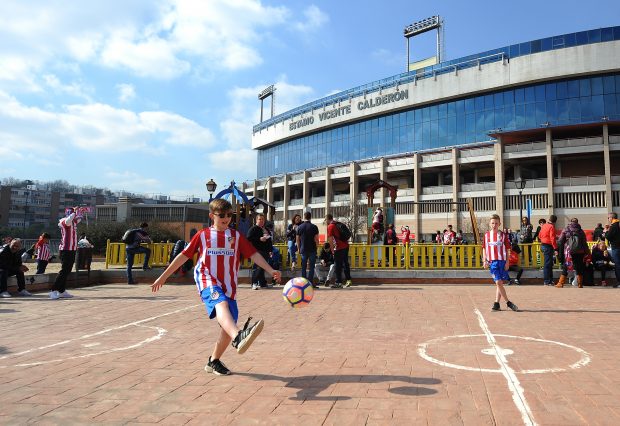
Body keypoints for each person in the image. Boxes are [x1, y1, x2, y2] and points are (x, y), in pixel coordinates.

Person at [151, 199, 281, 376]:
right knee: (222, 306)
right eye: (222, 215)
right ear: (212, 216)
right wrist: (163, 276)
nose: (226, 218)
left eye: (229, 215)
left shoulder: (235, 236)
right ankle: (239, 337)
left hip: (229, 285)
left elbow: (253, 254)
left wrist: (270, 269)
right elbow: (183, 256)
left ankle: (214, 361)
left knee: (228, 326)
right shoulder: (203, 235)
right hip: (207, 279)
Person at [482, 214, 519, 312]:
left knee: (500, 283)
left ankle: (496, 303)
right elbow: (484, 248)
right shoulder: (486, 235)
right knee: (498, 282)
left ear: (499, 224)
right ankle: (508, 302)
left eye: (496, 223)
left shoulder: (503, 235)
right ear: (490, 224)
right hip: (492, 262)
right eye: (492, 223)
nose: (494, 225)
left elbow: (507, 249)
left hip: (502, 261)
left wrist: (507, 262)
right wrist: (484, 260)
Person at [50, 207, 84, 299]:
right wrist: (75, 211)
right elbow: (69, 219)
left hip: (72, 249)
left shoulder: (73, 222)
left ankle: (61, 291)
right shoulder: (64, 221)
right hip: (65, 249)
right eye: (72, 212)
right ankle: (53, 290)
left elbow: (79, 218)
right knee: (64, 271)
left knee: (67, 271)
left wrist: (81, 211)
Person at [555, 218, 589, 288]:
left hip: (569, 251)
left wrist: (558, 250)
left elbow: (560, 241)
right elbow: (584, 243)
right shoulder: (581, 231)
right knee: (578, 267)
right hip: (580, 251)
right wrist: (587, 252)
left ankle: (561, 283)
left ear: (570, 222)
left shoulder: (566, 229)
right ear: (577, 222)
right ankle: (580, 284)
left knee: (566, 266)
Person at [325, 213, 352, 288]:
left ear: (327, 219)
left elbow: (330, 239)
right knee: (345, 263)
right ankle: (348, 280)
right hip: (346, 245)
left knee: (337, 265)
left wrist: (332, 250)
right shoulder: (338, 224)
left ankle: (338, 282)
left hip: (338, 247)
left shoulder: (330, 226)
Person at [246, 213, 272, 290]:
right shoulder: (253, 229)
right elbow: (248, 238)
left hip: (265, 251)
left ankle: (262, 283)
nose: (261, 221)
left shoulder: (266, 229)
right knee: (257, 267)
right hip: (256, 251)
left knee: (263, 267)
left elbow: (269, 240)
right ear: (256, 220)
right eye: (259, 219)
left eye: (263, 219)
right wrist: (259, 239)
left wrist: (270, 250)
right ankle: (254, 283)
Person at [296, 211, 319, 287]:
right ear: (310, 217)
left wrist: (298, 248)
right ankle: (310, 282)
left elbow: (297, 239)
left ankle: (303, 283)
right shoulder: (314, 227)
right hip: (312, 249)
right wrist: (317, 247)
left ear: (304, 217)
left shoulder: (299, 227)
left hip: (303, 249)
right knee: (312, 266)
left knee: (304, 267)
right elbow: (316, 239)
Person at [539, 215, 558, 286]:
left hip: (543, 245)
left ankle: (549, 280)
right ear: (555, 222)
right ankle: (547, 281)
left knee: (548, 263)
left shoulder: (544, 226)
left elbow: (539, 235)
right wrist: (555, 248)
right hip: (548, 246)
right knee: (548, 264)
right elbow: (552, 238)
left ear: (549, 219)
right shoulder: (551, 227)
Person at [604, 212, 620, 288]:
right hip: (618, 247)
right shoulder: (618, 224)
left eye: (608, 218)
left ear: (612, 218)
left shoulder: (614, 226)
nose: (608, 219)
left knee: (617, 265)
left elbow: (608, 237)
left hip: (616, 247)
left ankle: (619, 282)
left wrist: (605, 231)